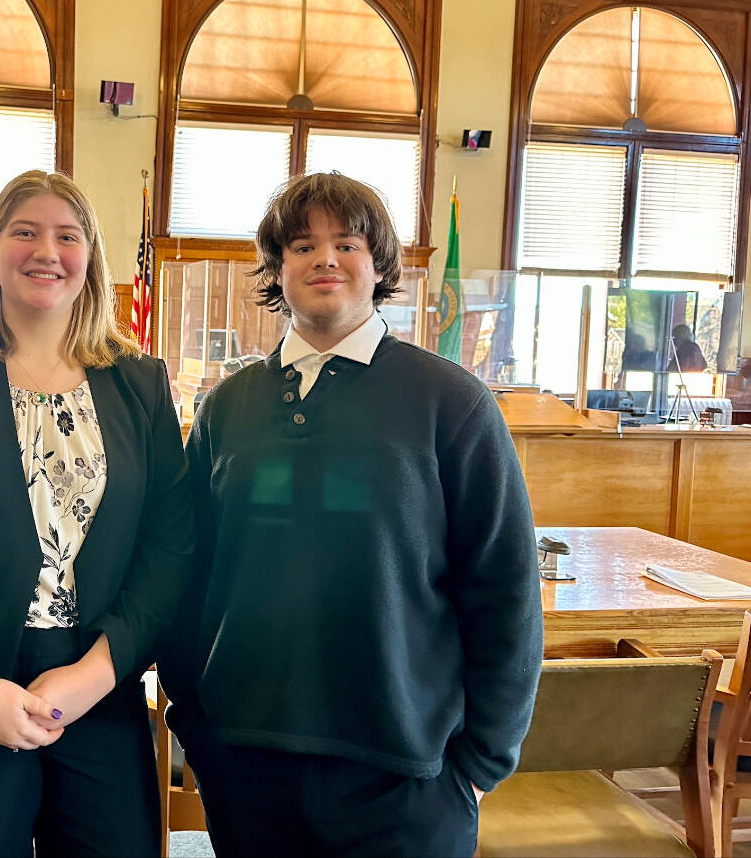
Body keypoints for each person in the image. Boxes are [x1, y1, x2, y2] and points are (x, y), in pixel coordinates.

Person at [159, 171, 543, 857]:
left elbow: (505, 589)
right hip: (247, 765)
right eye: (302, 245)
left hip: (407, 779)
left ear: (380, 264)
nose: (324, 258)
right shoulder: (226, 406)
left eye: (347, 242)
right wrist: (196, 721)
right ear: (278, 269)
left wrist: (480, 765)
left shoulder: (451, 402)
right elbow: (187, 578)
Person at [0, 170, 193, 857]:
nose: (45, 250)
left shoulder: (139, 383)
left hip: (98, 683)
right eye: (24, 231)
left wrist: (91, 677)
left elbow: (170, 548)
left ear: (90, 257)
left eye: (66, 235)